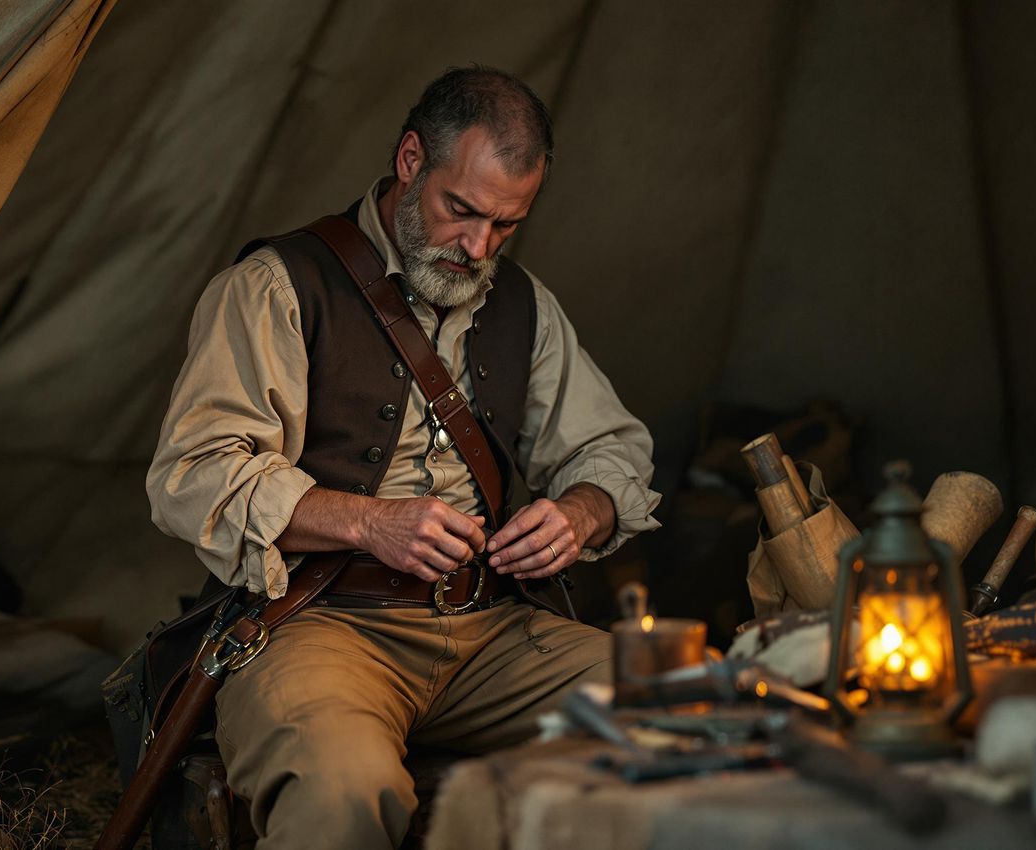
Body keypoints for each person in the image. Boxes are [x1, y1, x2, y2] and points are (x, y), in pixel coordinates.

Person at [146, 66, 661, 850]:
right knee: (341, 792)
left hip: (492, 630)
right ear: (412, 160)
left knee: (687, 715)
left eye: (506, 225)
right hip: (319, 626)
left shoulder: (523, 304)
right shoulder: (276, 286)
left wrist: (581, 514)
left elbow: (610, 448)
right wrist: (369, 523)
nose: (478, 245)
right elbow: (193, 472)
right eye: (462, 211)